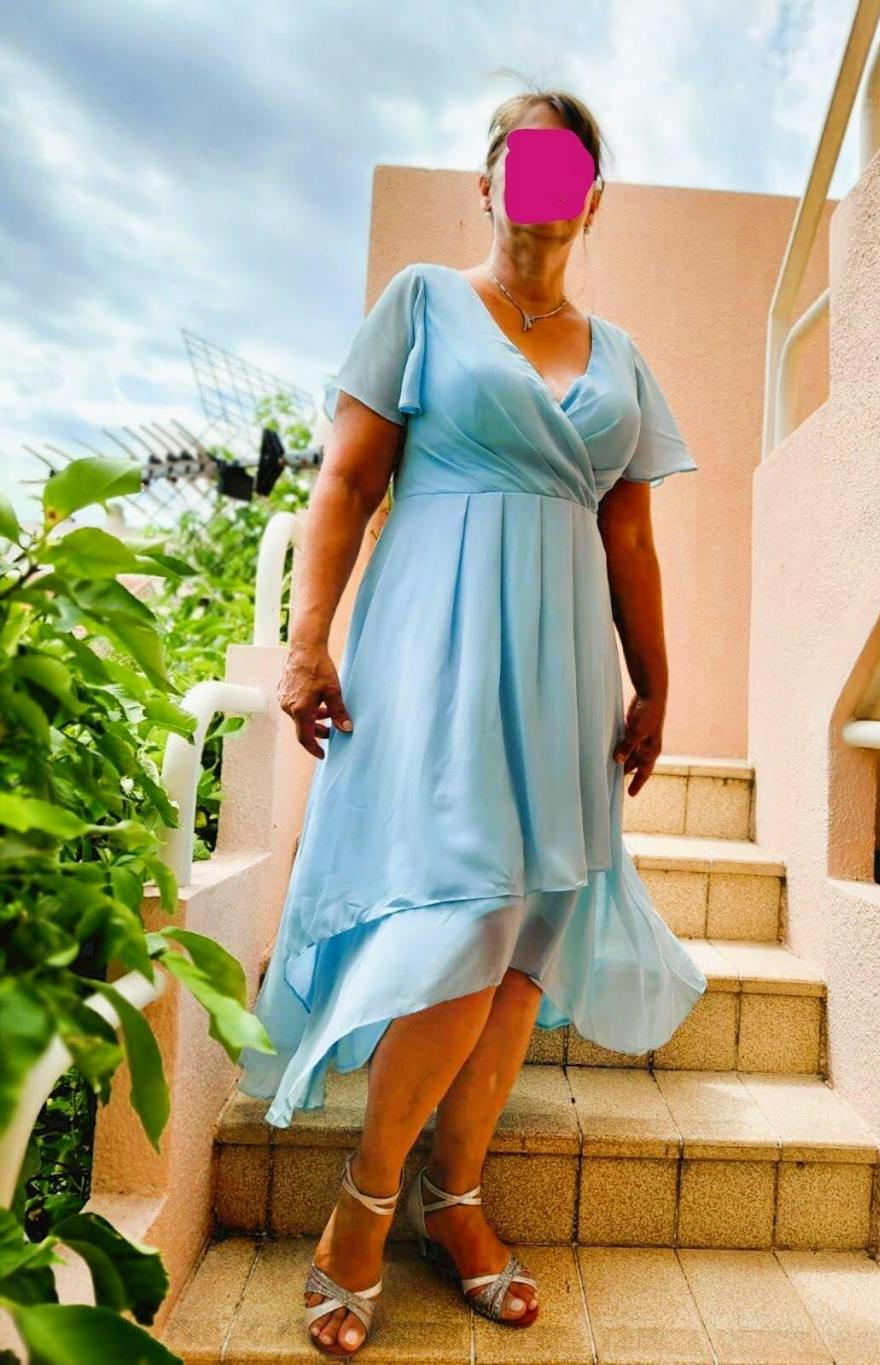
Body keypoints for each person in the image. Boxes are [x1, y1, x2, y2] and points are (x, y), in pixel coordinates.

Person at [237, 85, 708, 1358]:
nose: (542, 183)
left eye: (568, 167)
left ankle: (454, 1201)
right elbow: (348, 478)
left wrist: (656, 683)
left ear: (591, 199)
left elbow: (630, 538)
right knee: (469, 917)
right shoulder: (423, 304)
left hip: (564, 669)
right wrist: (307, 641)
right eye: (520, 159)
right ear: (488, 182)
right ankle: (364, 1206)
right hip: (436, 647)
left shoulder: (620, 356)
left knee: (524, 943)